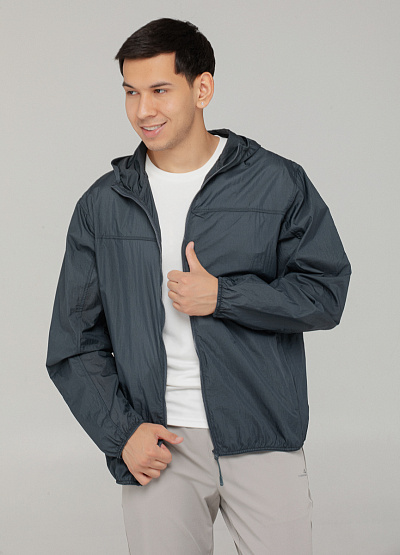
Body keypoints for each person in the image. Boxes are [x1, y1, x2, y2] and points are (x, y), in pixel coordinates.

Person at [46, 17, 351, 554]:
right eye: (131, 92)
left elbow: (325, 294)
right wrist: (123, 434)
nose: (143, 110)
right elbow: (74, 342)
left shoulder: (277, 183)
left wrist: (224, 297)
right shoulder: (103, 205)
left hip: (261, 434)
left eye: (160, 90)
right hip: (159, 442)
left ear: (202, 88)